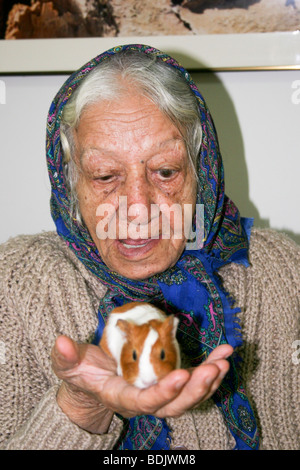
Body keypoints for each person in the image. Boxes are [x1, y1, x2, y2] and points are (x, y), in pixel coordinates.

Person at [0, 44, 299, 450]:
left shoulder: (285, 273)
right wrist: (82, 406)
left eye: (165, 171)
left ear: (202, 172)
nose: (138, 207)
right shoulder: (15, 286)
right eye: (105, 176)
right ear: (71, 187)